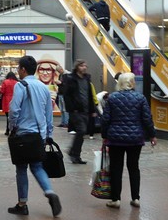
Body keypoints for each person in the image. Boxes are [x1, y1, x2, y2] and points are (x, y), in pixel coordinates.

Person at [6, 55, 62, 217]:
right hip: (38, 134)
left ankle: (22, 204)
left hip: (23, 133)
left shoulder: (21, 86)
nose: (18, 71)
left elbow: (14, 110)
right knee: (37, 166)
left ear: (23, 70)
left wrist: (12, 128)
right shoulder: (44, 88)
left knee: (21, 169)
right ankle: (49, 191)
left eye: (18, 68)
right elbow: (48, 114)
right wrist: (48, 134)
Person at [100, 72, 157, 209]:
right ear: (132, 83)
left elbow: (105, 119)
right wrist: (152, 135)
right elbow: (147, 119)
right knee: (133, 168)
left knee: (116, 168)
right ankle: (135, 198)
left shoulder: (112, 98)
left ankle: (116, 199)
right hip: (135, 139)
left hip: (115, 139)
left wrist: (104, 136)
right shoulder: (140, 98)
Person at [61, 59, 97, 164]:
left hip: (85, 110)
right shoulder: (71, 79)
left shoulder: (87, 79)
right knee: (81, 130)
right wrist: (71, 108)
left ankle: (75, 154)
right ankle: (73, 152)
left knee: (82, 133)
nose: (84, 67)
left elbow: (90, 95)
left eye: (85, 66)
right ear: (77, 67)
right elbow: (66, 95)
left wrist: (92, 109)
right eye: (82, 66)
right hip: (76, 111)